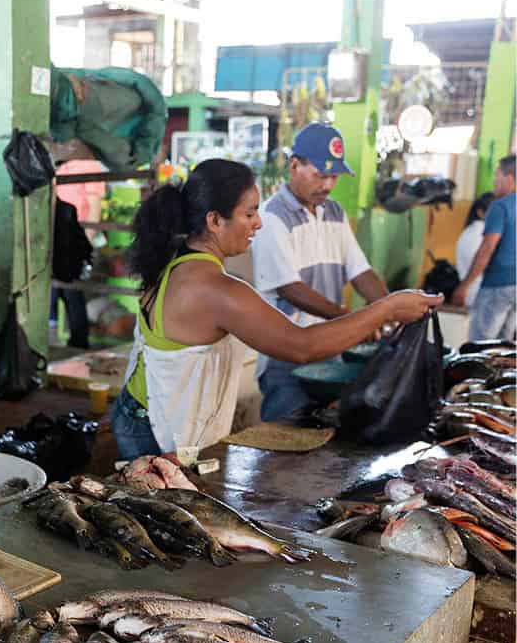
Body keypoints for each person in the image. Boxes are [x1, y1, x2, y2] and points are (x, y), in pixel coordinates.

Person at [111, 159, 442, 461]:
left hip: (143, 411)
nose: (258, 224)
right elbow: (301, 346)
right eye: (250, 213)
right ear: (214, 220)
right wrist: (387, 308)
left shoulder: (179, 265)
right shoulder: (216, 289)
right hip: (153, 428)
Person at [251, 123, 390, 422]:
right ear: (294, 166)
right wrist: (354, 321)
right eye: (320, 174)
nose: (327, 185)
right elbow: (290, 288)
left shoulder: (335, 213)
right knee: (283, 447)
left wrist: (389, 308)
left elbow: (361, 271)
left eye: (334, 176)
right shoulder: (272, 217)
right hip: (285, 356)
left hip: (330, 351)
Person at [452, 155, 516, 341]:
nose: (494, 181)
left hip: (498, 285)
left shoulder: (500, 206)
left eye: (498, 175)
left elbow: (487, 248)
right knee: (506, 347)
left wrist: (464, 286)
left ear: (510, 178)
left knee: (480, 346)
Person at [454, 192, 494, 310]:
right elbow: (482, 261)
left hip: (477, 295)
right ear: (481, 213)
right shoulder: (478, 234)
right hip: (478, 296)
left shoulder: (475, 232)